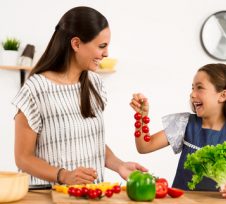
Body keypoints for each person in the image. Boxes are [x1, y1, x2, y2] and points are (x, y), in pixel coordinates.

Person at [12, 6, 147, 186]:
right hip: (49, 200)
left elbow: (89, 141)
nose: (106, 53)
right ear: (76, 44)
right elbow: (23, 158)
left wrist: (119, 165)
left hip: (91, 195)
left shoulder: (95, 84)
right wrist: (64, 175)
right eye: (101, 46)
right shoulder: (36, 89)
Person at [130, 63, 226, 199]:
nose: (192, 94)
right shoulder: (185, 124)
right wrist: (142, 116)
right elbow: (144, 146)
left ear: (223, 95)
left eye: (199, 88)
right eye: (192, 88)